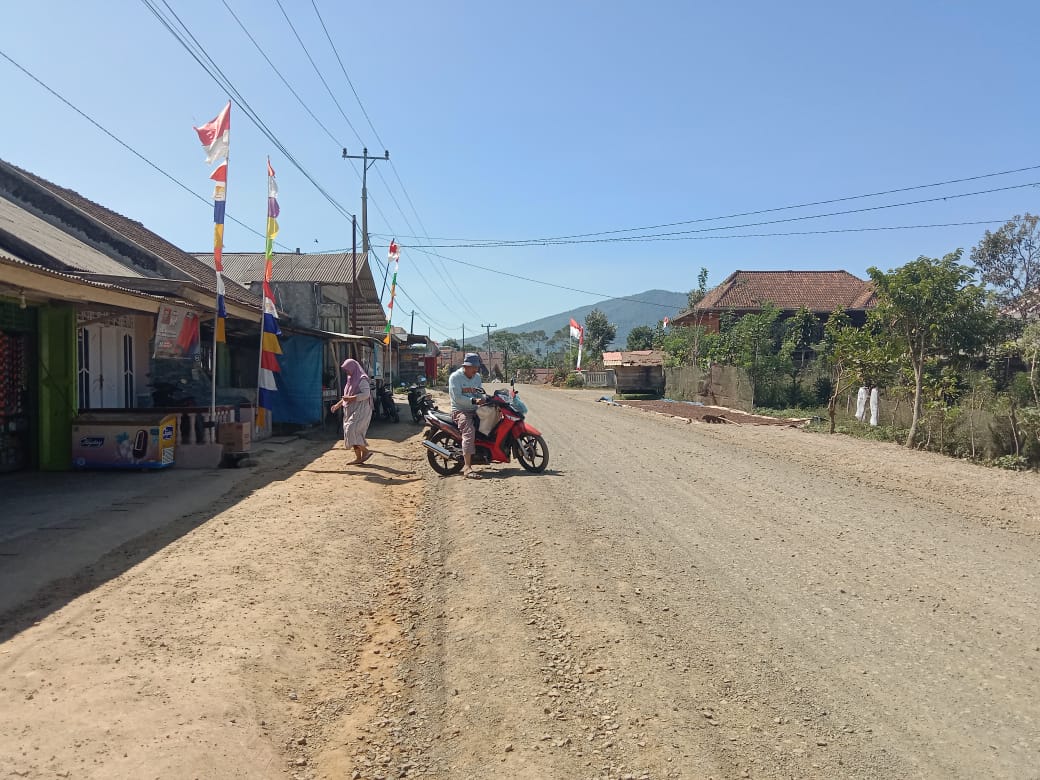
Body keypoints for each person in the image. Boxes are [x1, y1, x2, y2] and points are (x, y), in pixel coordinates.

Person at [448, 352, 486, 479]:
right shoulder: (455, 377)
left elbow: (480, 392)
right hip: (460, 411)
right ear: (465, 366)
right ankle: (467, 468)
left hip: (475, 409)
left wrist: (486, 399)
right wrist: (474, 401)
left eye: (476, 367)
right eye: (473, 367)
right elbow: (457, 398)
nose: (475, 370)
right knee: (469, 431)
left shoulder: (477, 377)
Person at [330, 358, 373, 465]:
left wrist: (351, 399)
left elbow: (366, 395)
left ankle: (366, 452)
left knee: (351, 430)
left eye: (348, 369)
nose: (347, 372)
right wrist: (337, 405)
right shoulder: (350, 379)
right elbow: (346, 397)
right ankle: (359, 458)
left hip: (361, 409)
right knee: (351, 433)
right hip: (351, 409)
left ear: (353, 368)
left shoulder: (362, 379)